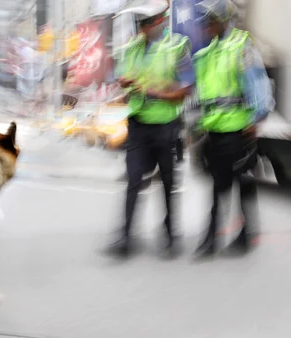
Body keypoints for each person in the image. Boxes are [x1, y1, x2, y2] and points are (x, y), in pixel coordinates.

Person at [106, 0, 195, 258]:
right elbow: (122, 77)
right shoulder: (133, 48)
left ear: (159, 22)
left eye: (144, 23)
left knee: (168, 182)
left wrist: (152, 91)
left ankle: (170, 234)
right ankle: (125, 237)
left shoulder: (177, 48)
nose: (140, 29)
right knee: (133, 180)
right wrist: (124, 81)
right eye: (139, 24)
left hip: (166, 127)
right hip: (138, 127)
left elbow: (184, 91)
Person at [192, 0, 274, 258]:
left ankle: (214, 238)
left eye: (209, 21)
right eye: (204, 22)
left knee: (228, 183)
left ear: (223, 20)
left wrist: (256, 119)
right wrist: (198, 125)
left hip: (238, 130)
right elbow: (203, 94)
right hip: (215, 131)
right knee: (234, 182)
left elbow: (258, 84)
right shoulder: (207, 53)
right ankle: (246, 233)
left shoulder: (241, 47)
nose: (205, 26)